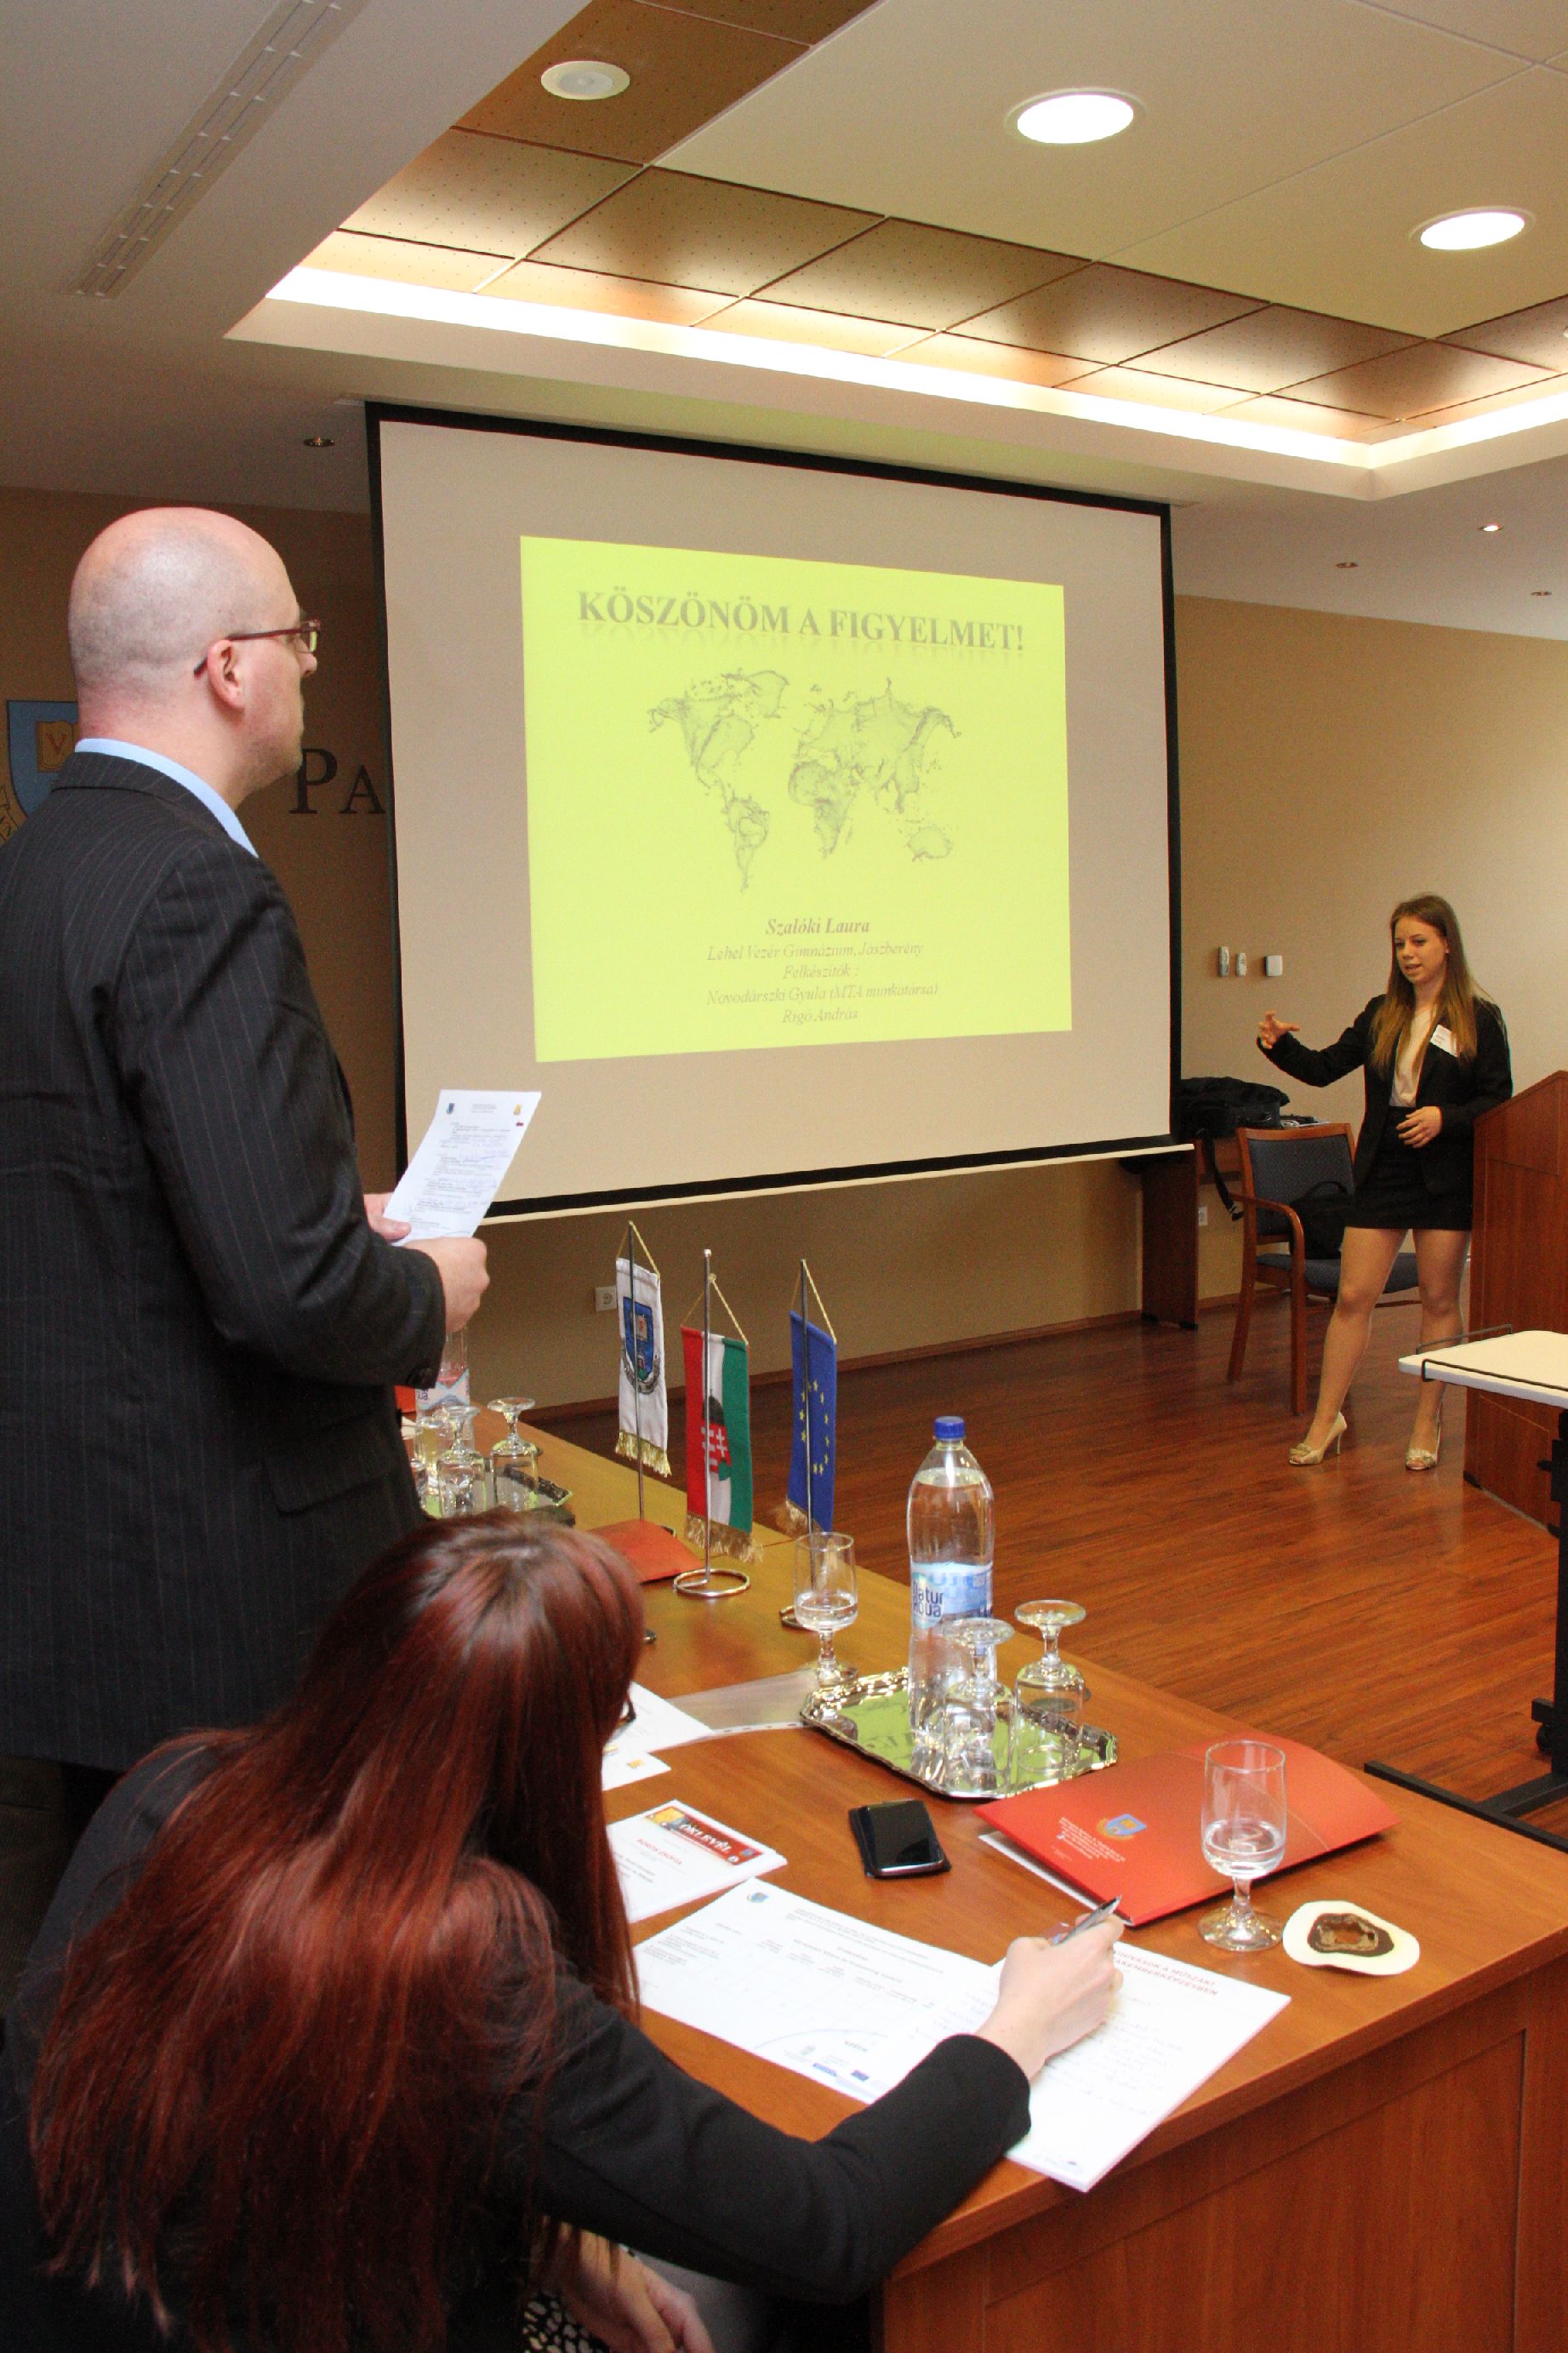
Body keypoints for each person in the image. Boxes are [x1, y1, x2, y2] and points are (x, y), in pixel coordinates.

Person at [1, 1516, 1121, 2353]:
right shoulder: (461, 1963)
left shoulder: (179, 1787)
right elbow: (828, 2225)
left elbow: (296, 2133)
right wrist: (1014, 2034)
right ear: (549, 1751)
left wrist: (550, 2234)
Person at [0, 508, 488, 2002]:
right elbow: (293, 1294)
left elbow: (90, 1208)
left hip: (66, 1567)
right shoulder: (199, 887)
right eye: (299, 640)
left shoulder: (34, 868)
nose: (310, 669)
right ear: (227, 668)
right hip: (214, 1588)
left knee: (103, 1996)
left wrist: (305, 1209)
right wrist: (426, 1291)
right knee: (258, 2003)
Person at [1257, 894, 1510, 1469]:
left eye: (1419, 941)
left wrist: (1446, 1117)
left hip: (1445, 1169)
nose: (1407, 954)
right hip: (1385, 1164)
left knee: (1438, 1297)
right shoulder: (1382, 1012)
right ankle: (1326, 1419)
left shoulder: (1479, 1016)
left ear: (1447, 944)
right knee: (1352, 1296)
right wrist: (1279, 1045)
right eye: (1399, 944)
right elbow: (1324, 1067)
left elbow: (1497, 1099)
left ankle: (1427, 1419)